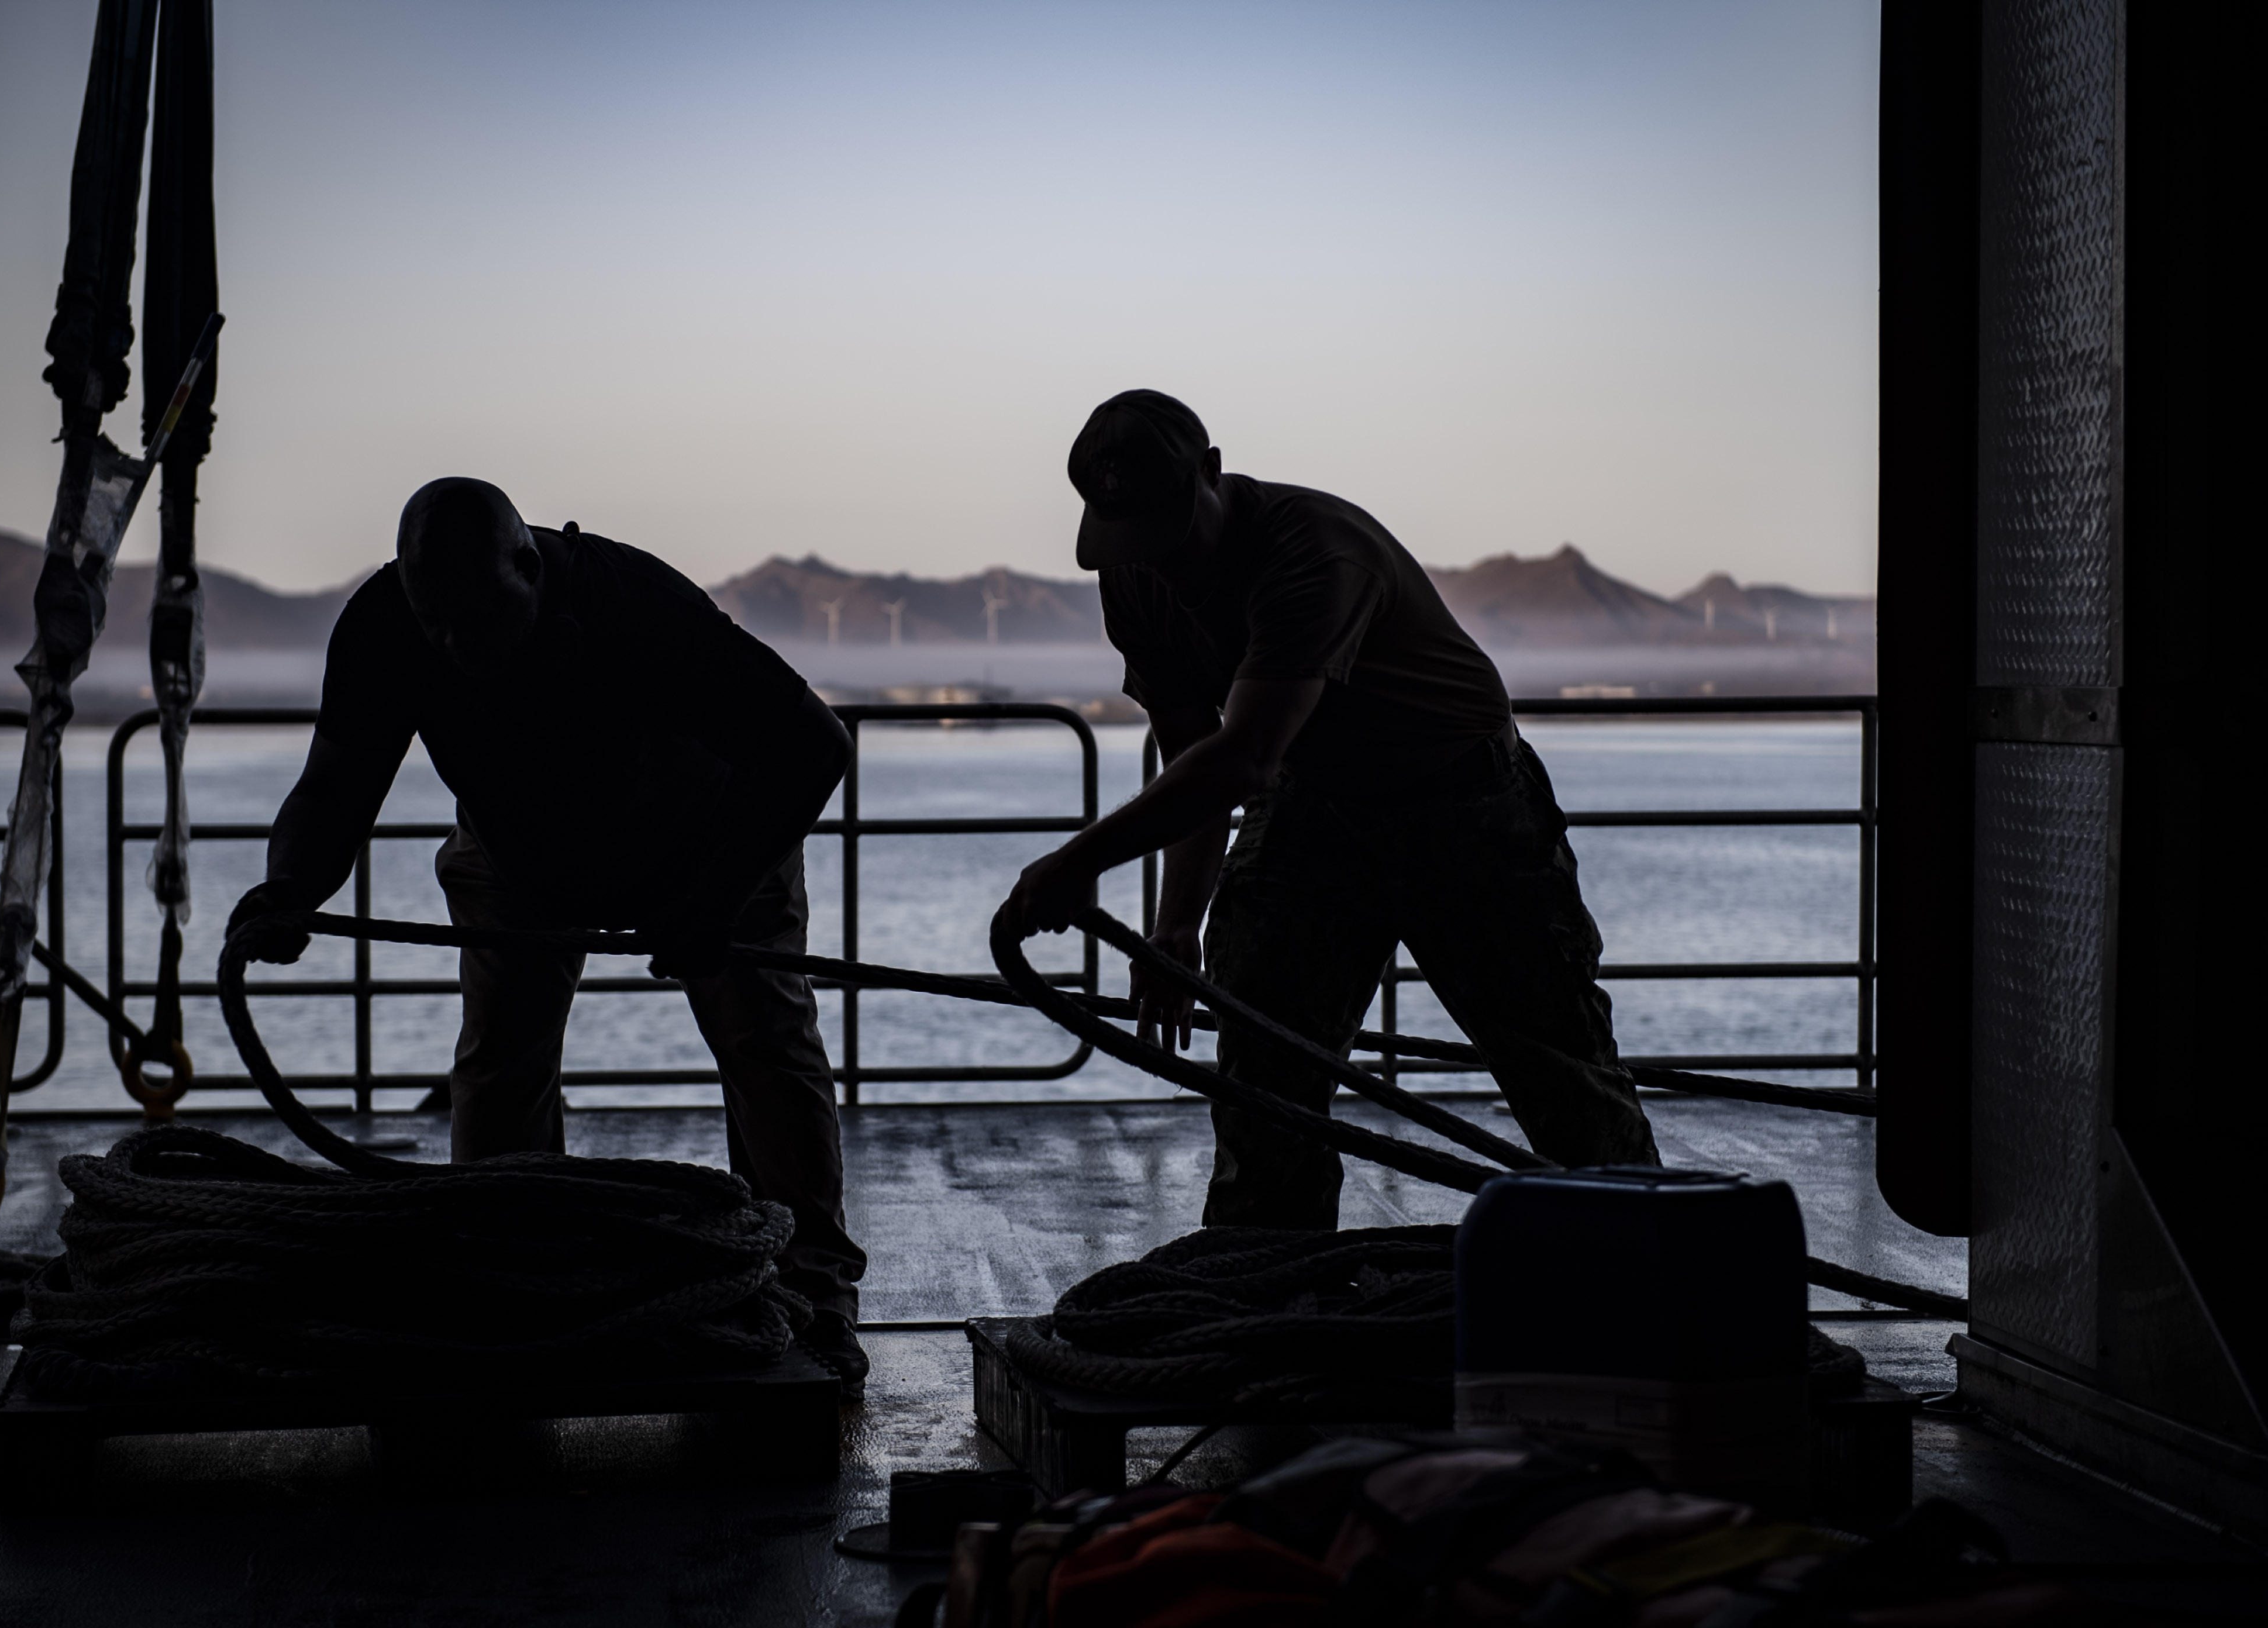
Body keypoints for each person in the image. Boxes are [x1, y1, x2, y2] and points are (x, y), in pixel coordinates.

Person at [228, 477, 870, 1391]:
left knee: (767, 1045)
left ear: (530, 568)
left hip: (709, 839)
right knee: (499, 1066)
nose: (454, 646)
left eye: (475, 618)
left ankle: (815, 1293)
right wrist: (290, 884)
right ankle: (509, 1278)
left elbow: (812, 746)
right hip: (515, 855)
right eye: (435, 624)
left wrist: (717, 899)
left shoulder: (637, 605)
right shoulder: (387, 624)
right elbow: (336, 782)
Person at [999, 391, 1660, 1230]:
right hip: (1314, 798)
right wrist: (1174, 930)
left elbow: (1243, 757)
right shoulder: (1133, 575)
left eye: (1168, 532)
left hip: (1464, 802)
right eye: (1131, 542)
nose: (1155, 562)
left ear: (1213, 474)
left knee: (1557, 1068)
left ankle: (1655, 1272)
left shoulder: (1312, 552)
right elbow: (1193, 749)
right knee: (1264, 1070)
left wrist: (1077, 862)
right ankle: (1268, 1286)